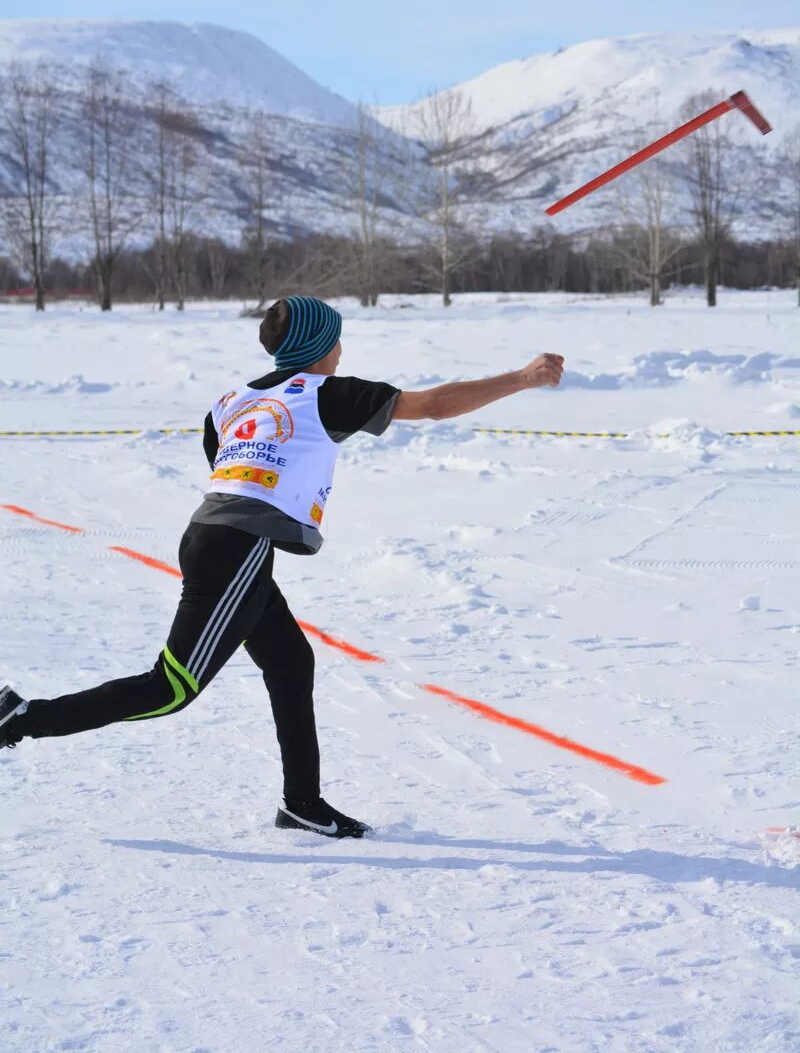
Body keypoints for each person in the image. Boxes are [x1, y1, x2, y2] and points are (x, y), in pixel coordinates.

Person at [1, 296, 564, 837]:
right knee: (171, 688)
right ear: (319, 344)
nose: (342, 348)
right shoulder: (325, 392)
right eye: (336, 337)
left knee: (292, 662)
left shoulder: (231, 401)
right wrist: (522, 378)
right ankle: (20, 718)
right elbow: (434, 406)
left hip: (213, 537)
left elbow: (228, 468)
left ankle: (302, 806)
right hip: (236, 548)